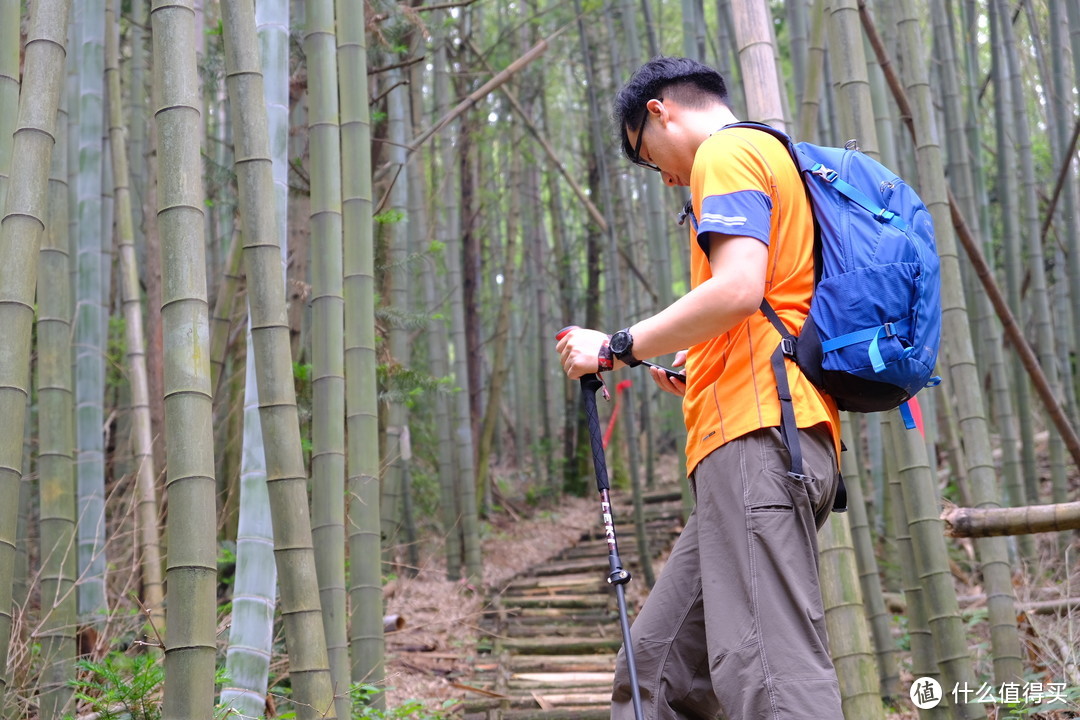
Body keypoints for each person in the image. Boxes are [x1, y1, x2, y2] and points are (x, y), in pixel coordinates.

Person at [555, 56, 845, 720]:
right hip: (760, 443)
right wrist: (693, 371)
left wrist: (618, 345)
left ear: (660, 111)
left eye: (648, 156)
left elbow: (739, 289)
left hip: (762, 446)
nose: (663, 174)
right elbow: (771, 305)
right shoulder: (769, 159)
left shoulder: (727, 150)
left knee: (770, 674)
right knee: (656, 668)